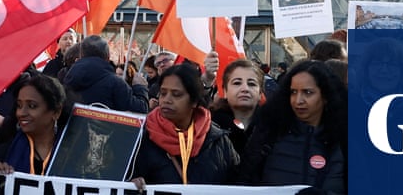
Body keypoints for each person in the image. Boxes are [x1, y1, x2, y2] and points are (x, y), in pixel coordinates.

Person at [239, 59, 348, 194]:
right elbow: (243, 182)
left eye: (308, 93)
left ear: (326, 96)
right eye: (293, 92)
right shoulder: (268, 135)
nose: (298, 100)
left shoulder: (345, 141)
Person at [131, 63, 238, 187]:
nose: (167, 100)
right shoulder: (140, 138)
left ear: (194, 101)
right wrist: (131, 186)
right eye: (163, 93)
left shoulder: (218, 141)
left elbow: (237, 184)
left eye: (176, 94)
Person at [0, 74, 69, 175]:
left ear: (56, 112)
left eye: (32, 106)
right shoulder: (1, 155)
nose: (21, 113)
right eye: (19, 105)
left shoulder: (75, 158)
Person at [63, 35, 149, 112]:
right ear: (108, 56)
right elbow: (140, 110)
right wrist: (140, 87)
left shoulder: (65, 79)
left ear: (81, 55)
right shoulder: (115, 83)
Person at [209, 58, 263, 155]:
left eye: (251, 84)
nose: (245, 89)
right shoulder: (209, 127)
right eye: (237, 83)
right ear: (225, 91)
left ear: (260, 93)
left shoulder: (275, 129)